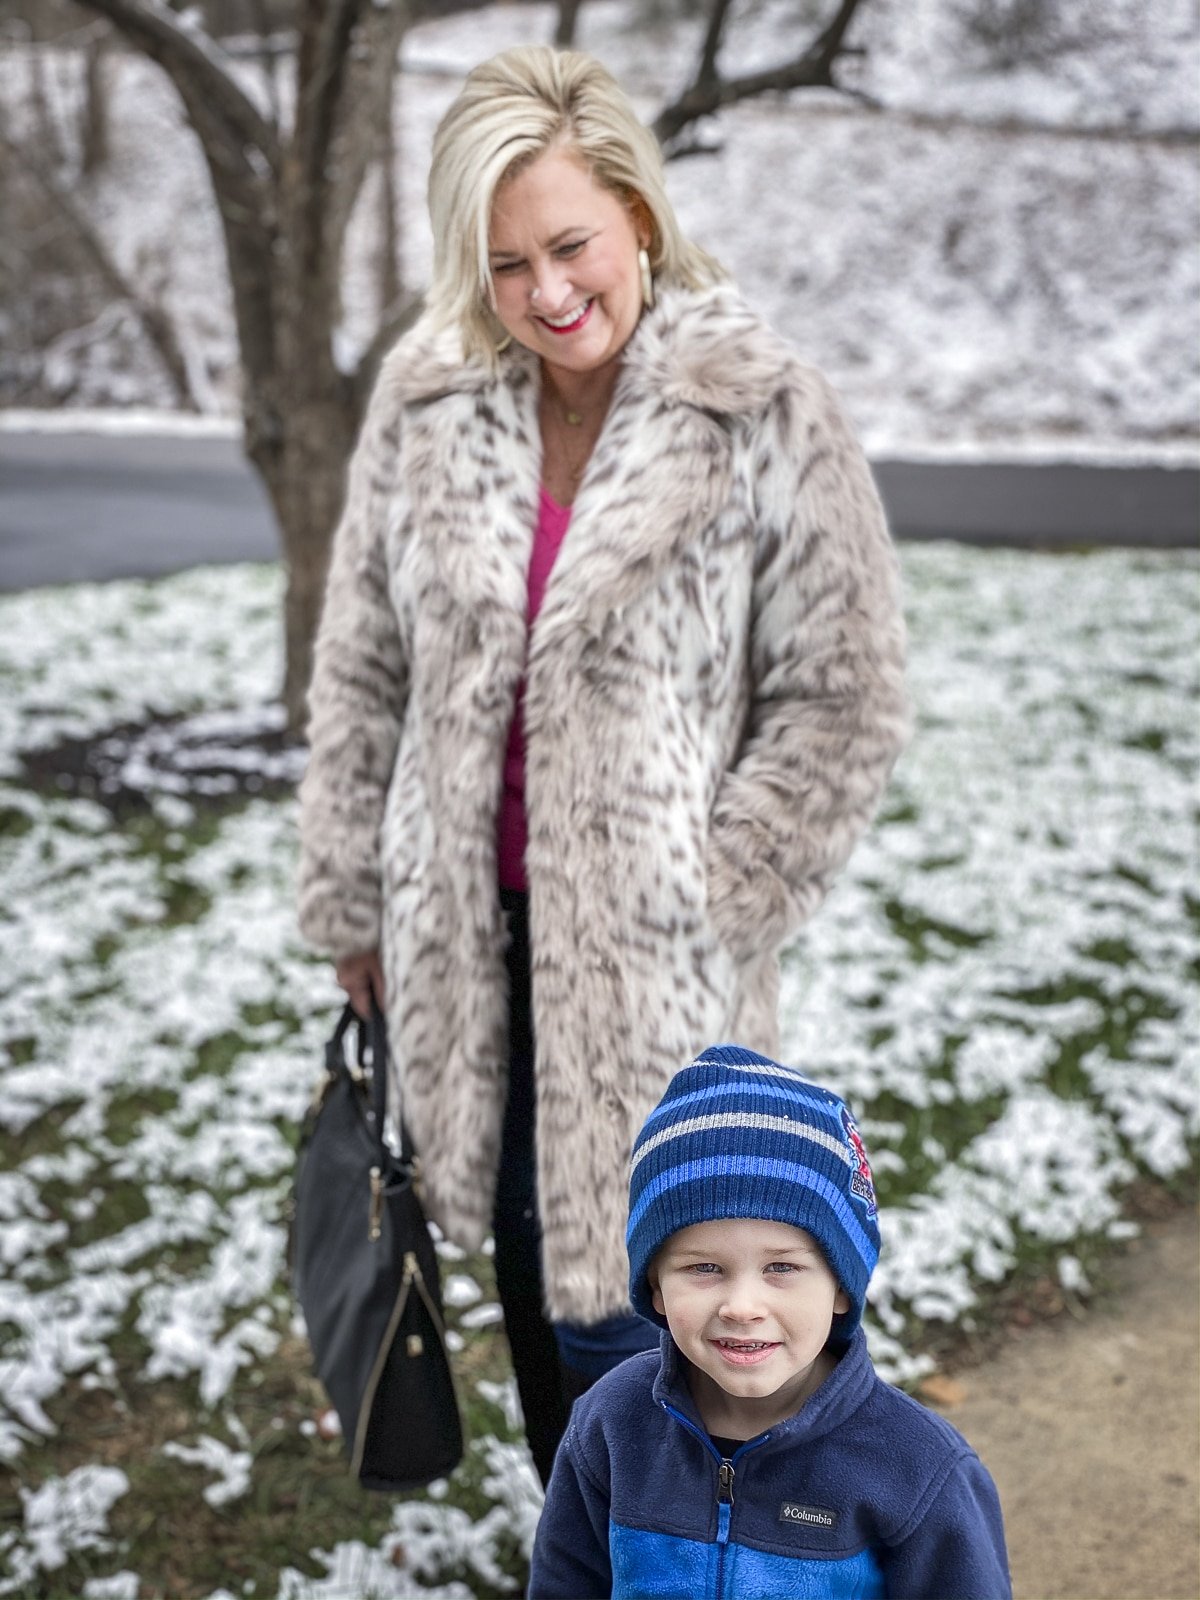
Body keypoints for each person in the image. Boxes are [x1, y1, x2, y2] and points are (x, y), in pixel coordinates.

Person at [296, 45, 909, 1486]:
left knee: (668, 1329)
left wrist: (718, 890)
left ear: (636, 209)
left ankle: (682, 1558)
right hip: (469, 950)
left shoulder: (760, 408)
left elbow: (846, 692)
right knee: (527, 1289)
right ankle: (588, 1546)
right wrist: (351, 900)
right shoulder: (430, 398)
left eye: (570, 245)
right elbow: (362, 660)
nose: (548, 293)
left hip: (660, 981)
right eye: (505, 264)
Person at [529, 1045, 1012, 1599]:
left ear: (840, 1288)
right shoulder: (611, 1426)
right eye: (704, 1268)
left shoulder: (919, 1470)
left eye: (782, 1267)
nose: (742, 1305)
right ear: (656, 1287)